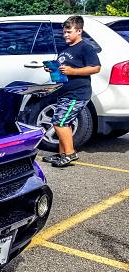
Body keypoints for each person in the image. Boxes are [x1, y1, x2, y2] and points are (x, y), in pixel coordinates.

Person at [42, 16, 101, 168]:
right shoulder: (66, 48)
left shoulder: (85, 47)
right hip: (64, 91)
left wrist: (73, 71)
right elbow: (63, 67)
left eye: (69, 32)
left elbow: (95, 67)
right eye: (64, 32)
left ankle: (70, 154)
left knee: (59, 122)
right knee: (63, 121)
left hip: (77, 93)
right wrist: (53, 68)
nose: (65, 35)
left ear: (79, 31)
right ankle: (61, 154)